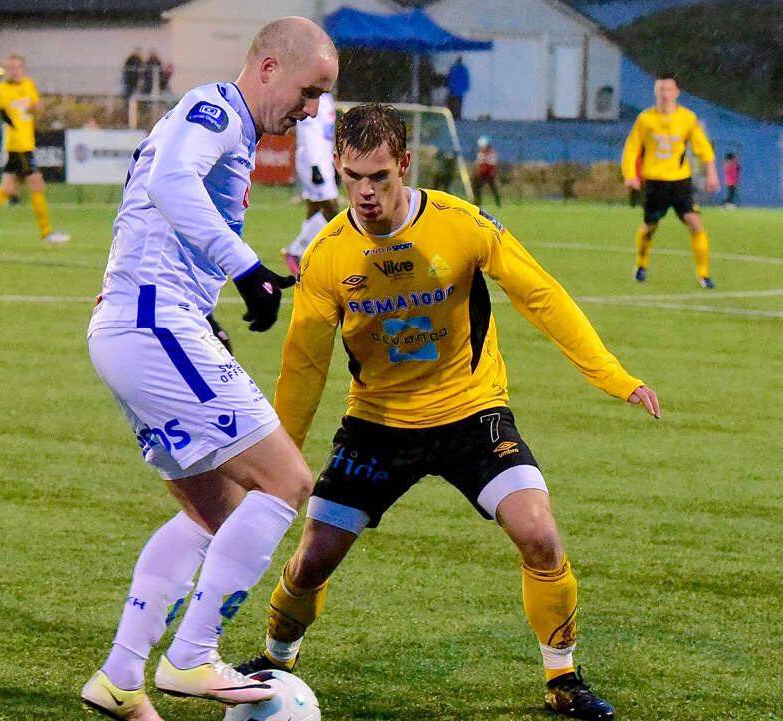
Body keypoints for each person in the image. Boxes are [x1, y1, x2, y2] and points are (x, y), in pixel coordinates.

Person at [236, 103, 661, 721]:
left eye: (379, 176)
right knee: (312, 560)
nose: (365, 192)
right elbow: (302, 366)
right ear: (338, 168)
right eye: (353, 177)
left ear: (404, 164)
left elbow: (540, 294)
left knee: (539, 534)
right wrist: (280, 460)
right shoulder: (328, 254)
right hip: (378, 425)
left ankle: (563, 678)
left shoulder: (460, 224)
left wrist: (611, 375)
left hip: (471, 413)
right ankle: (277, 660)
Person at [79, 17, 339, 721]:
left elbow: (152, 215)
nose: (311, 109)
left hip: (143, 325)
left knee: (213, 513)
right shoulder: (215, 107)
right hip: (152, 324)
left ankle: (120, 677)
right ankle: (192, 654)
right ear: (268, 68)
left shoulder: (224, 126)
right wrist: (245, 268)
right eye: (308, 91)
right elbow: (169, 182)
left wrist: (203, 307)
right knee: (286, 481)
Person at [621, 72, 719, 288]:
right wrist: (630, 175)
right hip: (655, 182)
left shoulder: (687, 118)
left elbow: (703, 147)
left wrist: (712, 173)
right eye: (661, 90)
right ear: (656, 92)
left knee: (695, 223)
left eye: (668, 90)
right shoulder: (646, 119)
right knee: (650, 227)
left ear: (676, 92)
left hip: (680, 182)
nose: (665, 94)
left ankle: (704, 275)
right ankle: (641, 264)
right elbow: (632, 148)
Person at [0, 54, 70, 247]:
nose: (15, 71)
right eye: (10, 68)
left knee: (8, 189)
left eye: (18, 67)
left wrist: (37, 108)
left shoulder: (29, 85)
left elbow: (35, 108)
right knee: (37, 184)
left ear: (23, 69)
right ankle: (46, 233)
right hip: (17, 147)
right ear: (5, 71)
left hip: (27, 144)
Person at [281, 90, 337, 275]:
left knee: (314, 208)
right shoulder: (313, 100)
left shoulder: (327, 99)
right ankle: (295, 251)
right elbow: (308, 135)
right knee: (331, 209)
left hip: (324, 161)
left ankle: (305, 252)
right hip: (315, 163)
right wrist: (314, 166)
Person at [472, 133, 501, 206]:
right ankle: (477, 202)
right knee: (476, 187)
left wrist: (491, 172)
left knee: (493, 188)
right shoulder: (481, 152)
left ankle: (498, 203)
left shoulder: (491, 152)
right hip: (481, 174)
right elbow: (478, 163)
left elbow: (492, 164)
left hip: (489, 174)